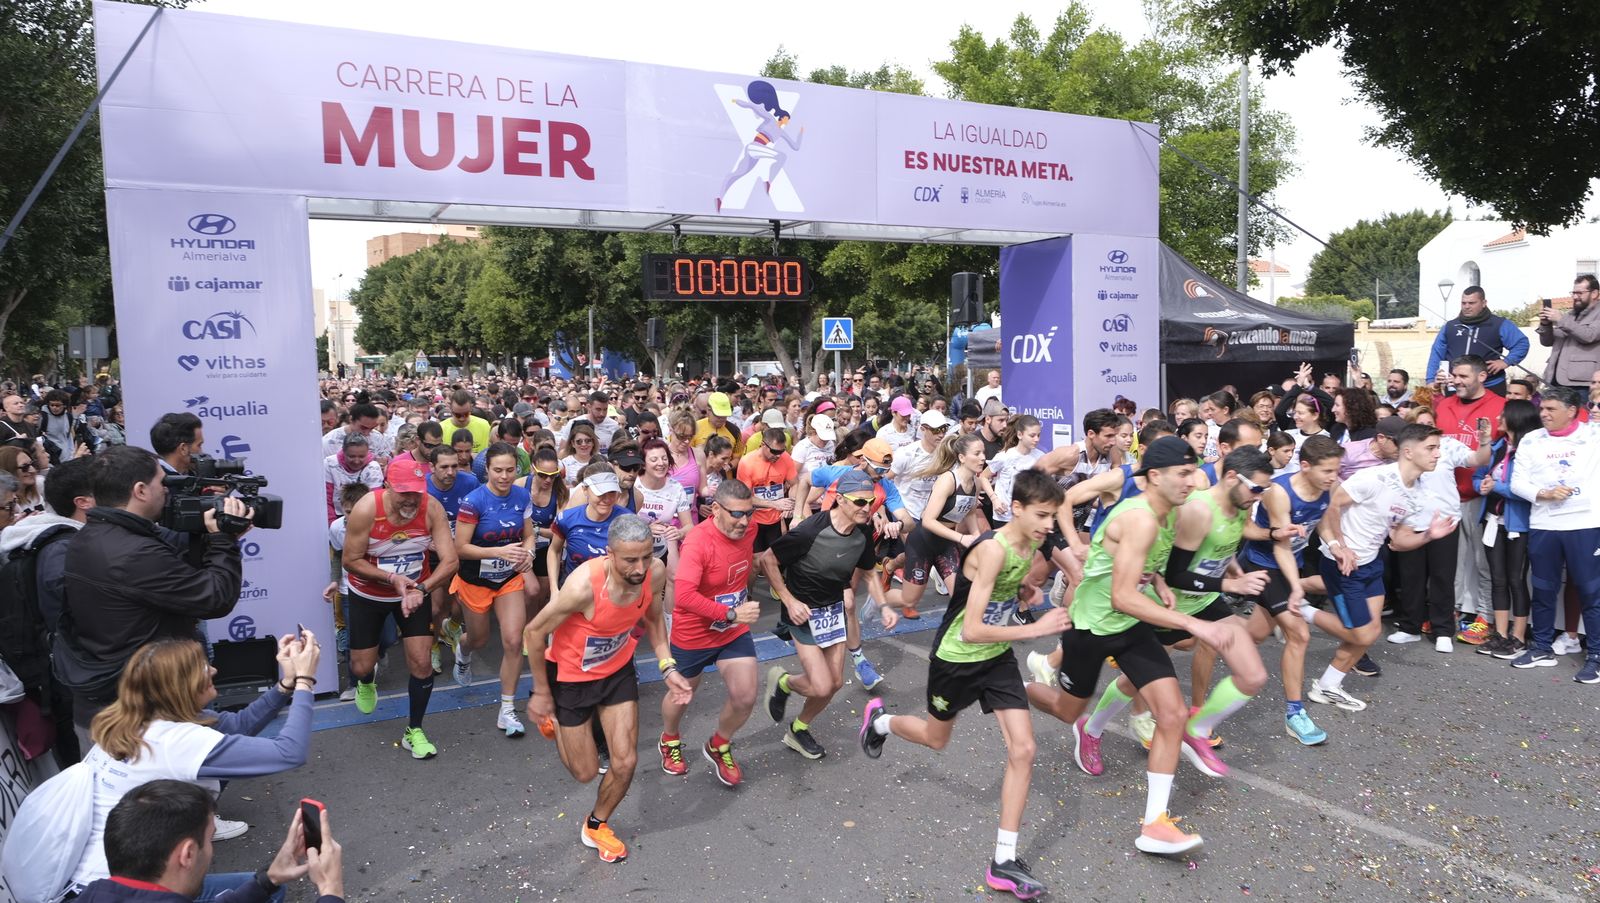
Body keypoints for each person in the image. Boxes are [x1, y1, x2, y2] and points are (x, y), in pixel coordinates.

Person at [1024, 437, 1246, 856]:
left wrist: (1161, 583)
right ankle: (1013, 689)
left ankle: (1155, 825)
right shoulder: (1141, 517)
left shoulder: (1171, 512)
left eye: (1194, 471)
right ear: (1154, 477)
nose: (1192, 480)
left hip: (1132, 626)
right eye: (1182, 474)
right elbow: (1122, 595)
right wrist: (1193, 622)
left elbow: (1148, 562)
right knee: (1066, 708)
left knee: (1173, 713)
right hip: (1092, 627)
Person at [859, 469, 1069, 900]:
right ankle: (881, 722)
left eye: (1054, 517)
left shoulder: (1031, 543)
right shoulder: (992, 549)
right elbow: (971, 629)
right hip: (956, 659)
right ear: (1018, 508)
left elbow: (1002, 595)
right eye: (1043, 515)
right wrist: (1035, 629)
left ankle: (1003, 862)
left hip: (996, 660)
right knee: (937, 740)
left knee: (1024, 750)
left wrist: (1024, 593)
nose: (1050, 525)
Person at [66, 634, 320, 898]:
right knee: (267, 891)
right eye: (202, 666)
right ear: (181, 685)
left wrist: (286, 684)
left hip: (98, 883)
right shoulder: (177, 742)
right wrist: (305, 681)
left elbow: (238, 725)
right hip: (134, 889)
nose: (213, 670)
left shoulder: (134, 721)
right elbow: (289, 752)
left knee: (266, 886)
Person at [523, 515, 691, 863]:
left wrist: (667, 666)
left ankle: (596, 825)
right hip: (570, 677)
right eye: (630, 559)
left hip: (616, 672)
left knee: (625, 761)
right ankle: (555, 723)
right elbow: (534, 633)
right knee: (584, 773)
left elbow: (655, 619)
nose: (640, 567)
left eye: (646, 556)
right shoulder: (583, 586)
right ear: (610, 555)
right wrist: (541, 692)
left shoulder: (654, 573)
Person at [55, 448, 252, 734]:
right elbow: (215, 597)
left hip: (115, 699)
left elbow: (169, 554)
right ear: (140, 490)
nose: (168, 490)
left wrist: (210, 531)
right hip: (147, 714)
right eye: (163, 482)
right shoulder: (132, 553)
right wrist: (224, 542)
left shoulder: (91, 535)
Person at [1309, 424, 1461, 711]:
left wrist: (1429, 535)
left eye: (1438, 448)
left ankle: (1328, 686)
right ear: (1407, 451)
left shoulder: (1417, 494)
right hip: (1342, 565)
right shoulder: (1373, 478)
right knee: (1363, 634)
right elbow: (1330, 507)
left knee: (1369, 632)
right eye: (1431, 448)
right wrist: (1339, 547)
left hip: (1371, 564)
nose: (1438, 454)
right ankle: (1299, 610)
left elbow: (1399, 541)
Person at [759, 469, 897, 760]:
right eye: (859, 502)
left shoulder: (861, 532)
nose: (867, 507)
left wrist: (884, 606)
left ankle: (798, 729)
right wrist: (789, 600)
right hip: (803, 612)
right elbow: (768, 560)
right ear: (840, 500)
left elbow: (870, 573)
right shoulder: (811, 530)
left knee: (833, 684)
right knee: (820, 684)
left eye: (870, 501)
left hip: (832, 611)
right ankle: (784, 682)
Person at [340, 458, 459, 758]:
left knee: (421, 663)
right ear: (387, 486)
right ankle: (367, 680)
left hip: (414, 594)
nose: (411, 499)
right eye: (404, 492)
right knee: (361, 666)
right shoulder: (367, 509)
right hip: (368, 594)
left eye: (417, 492)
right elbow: (350, 561)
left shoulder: (431, 508)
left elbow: (450, 560)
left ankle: (414, 730)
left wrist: (421, 589)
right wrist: (392, 578)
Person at [72, 779, 343, 903]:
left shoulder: (92, 893)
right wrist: (331, 890)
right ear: (187, 854)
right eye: (210, 839)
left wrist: (267, 880)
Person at [1236, 436, 1343, 745]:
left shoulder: (1327, 486)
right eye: (1327, 471)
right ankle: (1295, 714)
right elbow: (1281, 547)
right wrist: (1296, 588)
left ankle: (1215, 635)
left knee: (1254, 634)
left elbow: (1320, 522)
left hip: (1286, 565)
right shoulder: (1280, 493)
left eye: (1336, 470)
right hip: (1264, 564)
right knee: (1299, 633)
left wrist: (1336, 546)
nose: (1333, 477)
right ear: (1305, 466)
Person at [659, 479, 762, 786]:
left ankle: (719, 744)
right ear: (715, 509)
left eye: (749, 513)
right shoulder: (698, 542)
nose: (744, 522)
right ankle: (670, 739)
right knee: (682, 694)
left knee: (745, 696)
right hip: (694, 633)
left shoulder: (749, 531)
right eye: (736, 514)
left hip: (731, 631)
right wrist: (731, 613)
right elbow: (684, 596)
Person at [1507, 386, 1600, 683]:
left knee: (1591, 592)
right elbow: (1517, 481)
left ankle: (1596, 656)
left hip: (1585, 524)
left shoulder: (1593, 434)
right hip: (1545, 524)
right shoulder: (1532, 439)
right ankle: (1542, 647)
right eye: (1542, 408)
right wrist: (1542, 494)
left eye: (1551, 409)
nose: (1543, 414)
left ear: (1572, 411)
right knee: (1544, 589)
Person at [448, 443, 534, 735]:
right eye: (498, 470)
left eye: (510, 470)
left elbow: (529, 534)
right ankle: (463, 649)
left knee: (512, 642)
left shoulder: (522, 495)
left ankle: (507, 710)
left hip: (509, 579)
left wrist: (529, 554)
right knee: (479, 639)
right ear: (487, 470)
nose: (504, 476)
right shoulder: (474, 501)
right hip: (475, 580)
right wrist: (498, 552)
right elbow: (460, 548)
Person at [1432, 355, 1506, 644]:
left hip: (1481, 497)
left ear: (1481, 377)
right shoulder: (1443, 404)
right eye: (1454, 375)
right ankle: (1449, 613)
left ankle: (1484, 618)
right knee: (1451, 562)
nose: (1456, 381)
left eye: (1463, 376)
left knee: (1482, 561)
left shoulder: (1500, 406)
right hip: (1447, 497)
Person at [885, 431, 983, 619]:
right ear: (962, 457)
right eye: (977, 454)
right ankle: (877, 598)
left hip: (946, 544)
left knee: (962, 596)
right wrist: (962, 538)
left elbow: (970, 511)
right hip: (923, 542)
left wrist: (976, 535)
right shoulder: (948, 479)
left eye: (983, 453)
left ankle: (964, 639)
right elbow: (928, 520)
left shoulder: (976, 482)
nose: (982, 458)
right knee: (909, 600)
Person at [1474, 399, 1539, 659]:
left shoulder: (1530, 451)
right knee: (1497, 578)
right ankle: (1500, 634)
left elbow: (1527, 491)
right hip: (1492, 519)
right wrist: (1482, 485)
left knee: (1515, 579)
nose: (1498, 418)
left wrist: (1496, 487)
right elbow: (1479, 475)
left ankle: (1518, 637)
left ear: (1517, 418)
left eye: (1504, 414)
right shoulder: (1498, 446)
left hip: (1518, 524)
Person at [1427, 285, 1529, 395]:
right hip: (1456, 386)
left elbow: (1521, 344)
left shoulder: (1499, 324)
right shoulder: (1450, 326)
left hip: (1490, 386)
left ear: (1484, 303)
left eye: (1471, 303)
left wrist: (1506, 361)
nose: (1466, 306)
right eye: (1463, 303)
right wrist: (1431, 380)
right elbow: (1436, 353)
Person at [735, 426, 796, 552]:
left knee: (775, 558)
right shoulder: (747, 463)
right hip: (753, 520)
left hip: (776, 520)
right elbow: (744, 497)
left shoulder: (785, 458)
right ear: (763, 445)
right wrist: (774, 504)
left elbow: (796, 484)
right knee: (756, 560)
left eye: (781, 451)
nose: (778, 455)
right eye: (774, 451)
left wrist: (791, 503)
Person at [1538, 275, 1600, 393]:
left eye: (1579, 293)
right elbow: (1547, 342)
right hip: (1555, 380)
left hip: (1582, 384)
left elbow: (1589, 336)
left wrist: (1561, 320)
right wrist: (1545, 324)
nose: (1575, 297)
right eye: (1573, 293)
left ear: (1594, 293)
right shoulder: (1570, 315)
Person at [322, 434, 383, 523]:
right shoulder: (329, 464)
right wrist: (332, 525)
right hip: (336, 516)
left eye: (361, 456)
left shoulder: (373, 467)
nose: (356, 461)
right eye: (352, 456)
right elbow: (326, 500)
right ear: (343, 452)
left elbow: (374, 502)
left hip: (365, 517)